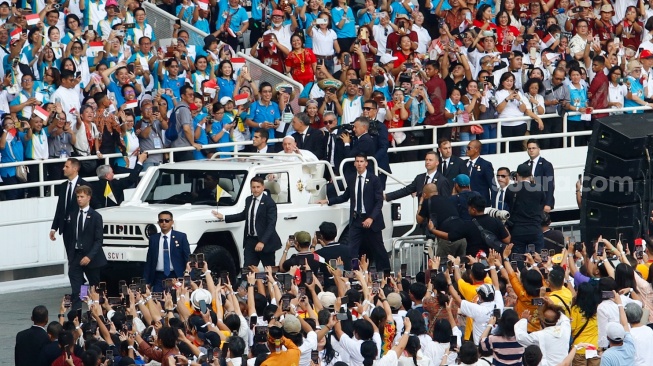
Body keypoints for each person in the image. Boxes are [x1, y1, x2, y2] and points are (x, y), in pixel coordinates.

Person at [318, 154, 389, 270]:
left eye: (362, 161)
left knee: (378, 249)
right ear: (355, 163)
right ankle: (354, 273)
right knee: (352, 249)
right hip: (356, 219)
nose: (359, 164)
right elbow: (345, 196)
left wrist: (371, 218)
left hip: (371, 220)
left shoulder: (374, 179)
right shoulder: (351, 178)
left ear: (366, 163)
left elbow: (379, 202)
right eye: (357, 161)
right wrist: (328, 201)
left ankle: (386, 274)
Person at [213, 176, 282, 267]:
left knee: (269, 271)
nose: (256, 190)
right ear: (250, 188)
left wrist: (262, 242)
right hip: (250, 240)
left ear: (263, 187)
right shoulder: (248, 199)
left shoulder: (269, 202)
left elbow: (271, 225)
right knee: (248, 269)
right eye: (253, 187)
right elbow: (243, 215)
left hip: (265, 242)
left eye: (258, 187)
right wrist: (224, 217)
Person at [64, 185, 106, 311]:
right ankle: (77, 316)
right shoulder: (73, 215)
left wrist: (89, 256)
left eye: (82, 197)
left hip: (91, 257)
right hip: (76, 255)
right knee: (77, 288)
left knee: (94, 288)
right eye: (77, 197)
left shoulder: (96, 216)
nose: (79, 199)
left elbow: (99, 240)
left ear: (88, 198)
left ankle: (96, 313)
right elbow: (69, 237)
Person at [143, 211, 191, 292]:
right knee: (157, 300)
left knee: (176, 300)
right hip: (159, 276)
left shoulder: (181, 237)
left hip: (175, 275)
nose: (164, 223)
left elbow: (187, 258)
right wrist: (146, 281)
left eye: (167, 220)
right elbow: (149, 261)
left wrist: (189, 280)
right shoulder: (153, 238)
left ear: (172, 222)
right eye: (161, 221)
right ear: (158, 222)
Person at [514, 299, 571, 366]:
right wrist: (552, 305)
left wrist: (523, 320)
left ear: (542, 322)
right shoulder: (565, 329)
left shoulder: (541, 335)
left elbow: (521, 337)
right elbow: (564, 319)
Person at [505, 163, 546, 254]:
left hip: (517, 229)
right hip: (534, 228)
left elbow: (508, 203)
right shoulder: (539, 188)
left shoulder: (511, 189)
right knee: (538, 257)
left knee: (518, 258)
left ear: (517, 175)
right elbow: (542, 204)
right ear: (531, 175)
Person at [50, 158, 92, 242]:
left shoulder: (85, 185)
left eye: (67, 166)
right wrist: (54, 227)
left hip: (80, 227)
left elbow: (93, 205)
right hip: (66, 228)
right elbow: (60, 208)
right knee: (69, 254)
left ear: (75, 169)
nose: (63, 168)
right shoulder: (63, 186)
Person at [385, 151, 452, 201]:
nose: (427, 162)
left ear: (437, 163)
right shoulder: (419, 178)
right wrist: (386, 196)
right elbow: (406, 190)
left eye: (430, 160)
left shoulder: (442, 181)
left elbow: (445, 201)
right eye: (426, 160)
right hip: (422, 216)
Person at [599, 292, 636, 366]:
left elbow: (624, 324)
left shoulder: (607, 356)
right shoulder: (630, 345)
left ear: (608, 338)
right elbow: (625, 324)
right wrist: (619, 303)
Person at [171, 85, 203, 162]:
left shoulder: (177, 107)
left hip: (176, 146)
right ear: (183, 96)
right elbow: (186, 128)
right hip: (183, 147)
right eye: (190, 95)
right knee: (192, 172)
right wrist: (193, 143)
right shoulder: (184, 109)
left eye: (193, 95)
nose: (192, 97)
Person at [524, 139, 555, 212]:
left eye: (533, 148)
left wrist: (548, 203)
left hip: (542, 202)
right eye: (529, 148)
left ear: (539, 149)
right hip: (528, 202)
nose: (531, 150)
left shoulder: (546, 165)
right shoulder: (524, 165)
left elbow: (550, 185)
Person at [466, 140, 496, 206]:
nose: (466, 150)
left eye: (469, 148)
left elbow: (493, 186)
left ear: (476, 149)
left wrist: (493, 205)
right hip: (466, 202)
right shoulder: (463, 163)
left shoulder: (485, 165)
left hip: (481, 202)